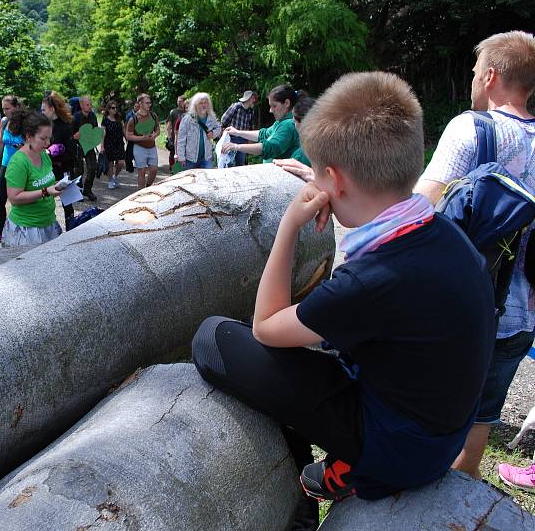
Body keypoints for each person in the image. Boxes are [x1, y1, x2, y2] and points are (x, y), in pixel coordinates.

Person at [191, 72, 495, 530]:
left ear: (333, 180)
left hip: (400, 451)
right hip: (442, 430)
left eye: (316, 172)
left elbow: (266, 326)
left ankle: (352, 466)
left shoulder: (371, 280)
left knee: (212, 337)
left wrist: (289, 227)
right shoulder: (444, 233)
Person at [413, 30, 535, 480]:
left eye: (473, 71)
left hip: (460, 310)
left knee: (427, 409)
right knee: (480, 418)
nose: (471, 78)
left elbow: (419, 208)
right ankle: (459, 509)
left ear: (490, 75)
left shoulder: (472, 128)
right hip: (521, 316)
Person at [1, 110, 64, 247]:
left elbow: (46, 183)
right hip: (26, 230)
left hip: (48, 223)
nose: (48, 143)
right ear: (29, 137)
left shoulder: (44, 155)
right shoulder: (18, 162)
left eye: (49, 138)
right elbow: (14, 198)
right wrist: (45, 191)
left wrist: (60, 186)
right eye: (43, 138)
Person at [221, 85, 301, 163]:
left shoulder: (288, 124)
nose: (270, 110)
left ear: (287, 103)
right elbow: (263, 134)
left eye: (274, 106)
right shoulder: (281, 122)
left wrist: (236, 146)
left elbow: (270, 148)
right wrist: (237, 132)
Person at [0, 95, 24, 245]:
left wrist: (20, 147)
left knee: (19, 201)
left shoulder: (24, 122)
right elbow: (1, 144)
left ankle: (23, 232)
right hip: (6, 164)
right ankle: (2, 232)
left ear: (16, 107)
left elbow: (30, 144)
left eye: (8, 108)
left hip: (20, 165)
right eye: (3, 108)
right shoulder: (4, 121)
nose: (5, 111)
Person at [42, 91, 77, 224]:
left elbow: (72, 152)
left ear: (52, 109)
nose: (42, 112)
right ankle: (47, 228)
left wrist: (55, 155)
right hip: (48, 170)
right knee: (45, 199)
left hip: (64, 170)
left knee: (67, 202)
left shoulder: (65, 126)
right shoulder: (45, 126)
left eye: (43, 110)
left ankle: (71, 228)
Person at [175, 92, 222, 170]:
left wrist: (213, 133)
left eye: (205, 103)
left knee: (207, 180)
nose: (203, 105)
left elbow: (219, 128)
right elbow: (181, 140)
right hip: (190, 159)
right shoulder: (187, 119)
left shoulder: (212, 117)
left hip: (206, 158)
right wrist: (181, 157)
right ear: (195, 105)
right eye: (201, 103)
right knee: (189, 180)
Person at [125, 93, 160, 189]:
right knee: (142, 172)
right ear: (140, 103)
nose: (149, 105)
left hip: (152, 147)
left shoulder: (153, 116)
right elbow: (128, 135)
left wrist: (155, 135)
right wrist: (142, 138)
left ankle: (148, 187)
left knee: (154, 170)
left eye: (150, 103)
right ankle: (140, 193)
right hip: (139, 148)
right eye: (147, 103)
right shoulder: (134, 119)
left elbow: (158, 129)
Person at [72, 96, 99, 201]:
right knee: (79, 170)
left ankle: (87, 189)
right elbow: (70, 134)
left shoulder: (93, 115)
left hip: (89, 145)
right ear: (81, 105)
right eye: (87, 104)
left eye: (90, 104)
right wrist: (75, 135)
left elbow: (95, 128)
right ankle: (77, 190)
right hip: (78, 146)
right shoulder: (75, 117)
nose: (90, 106)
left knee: (92, 167)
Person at [220, 90, 257, 167]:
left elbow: (250, 127)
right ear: (249, 98)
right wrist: (225, 131)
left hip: (243, 139)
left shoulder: (250, 111)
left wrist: (249, 140)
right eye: (253, 98)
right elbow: (224, 120)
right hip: (232, 138)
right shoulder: (236, 106)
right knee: (228, 162)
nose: (254, 100)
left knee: (240, 163)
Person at [100, 100, 126, 189]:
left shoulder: (119, 118)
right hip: (109, 144)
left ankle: (115, 176)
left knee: (121, 162)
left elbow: (123, 130)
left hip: (119, 143)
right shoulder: (105, 120)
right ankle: (110, 180)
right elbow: (102, 133)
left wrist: (127, 139)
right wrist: (102, 146)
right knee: (110, 163)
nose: (115, 110)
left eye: (116, 108)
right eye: (113, 108)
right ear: (108, 109)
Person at [166, 95, 186, 170]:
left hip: (185, 137)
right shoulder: (173, 112)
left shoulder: (188, 111)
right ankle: (172, 168)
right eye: (178, 101)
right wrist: (169, 136)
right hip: (175, 136)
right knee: (173, 153)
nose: (178, 103)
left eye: (180, 101)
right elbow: (169, 124)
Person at [123, 98, 138, 173]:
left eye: (138, 107)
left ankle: (137, 162)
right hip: (131, 135)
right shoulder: (129, 114)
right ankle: (129, 165)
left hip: (138, 135)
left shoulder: (141, 114)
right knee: (130, 150)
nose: (137, 108)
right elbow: (126, 125)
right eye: (135, 106)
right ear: (133, 107)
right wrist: (126, 135)